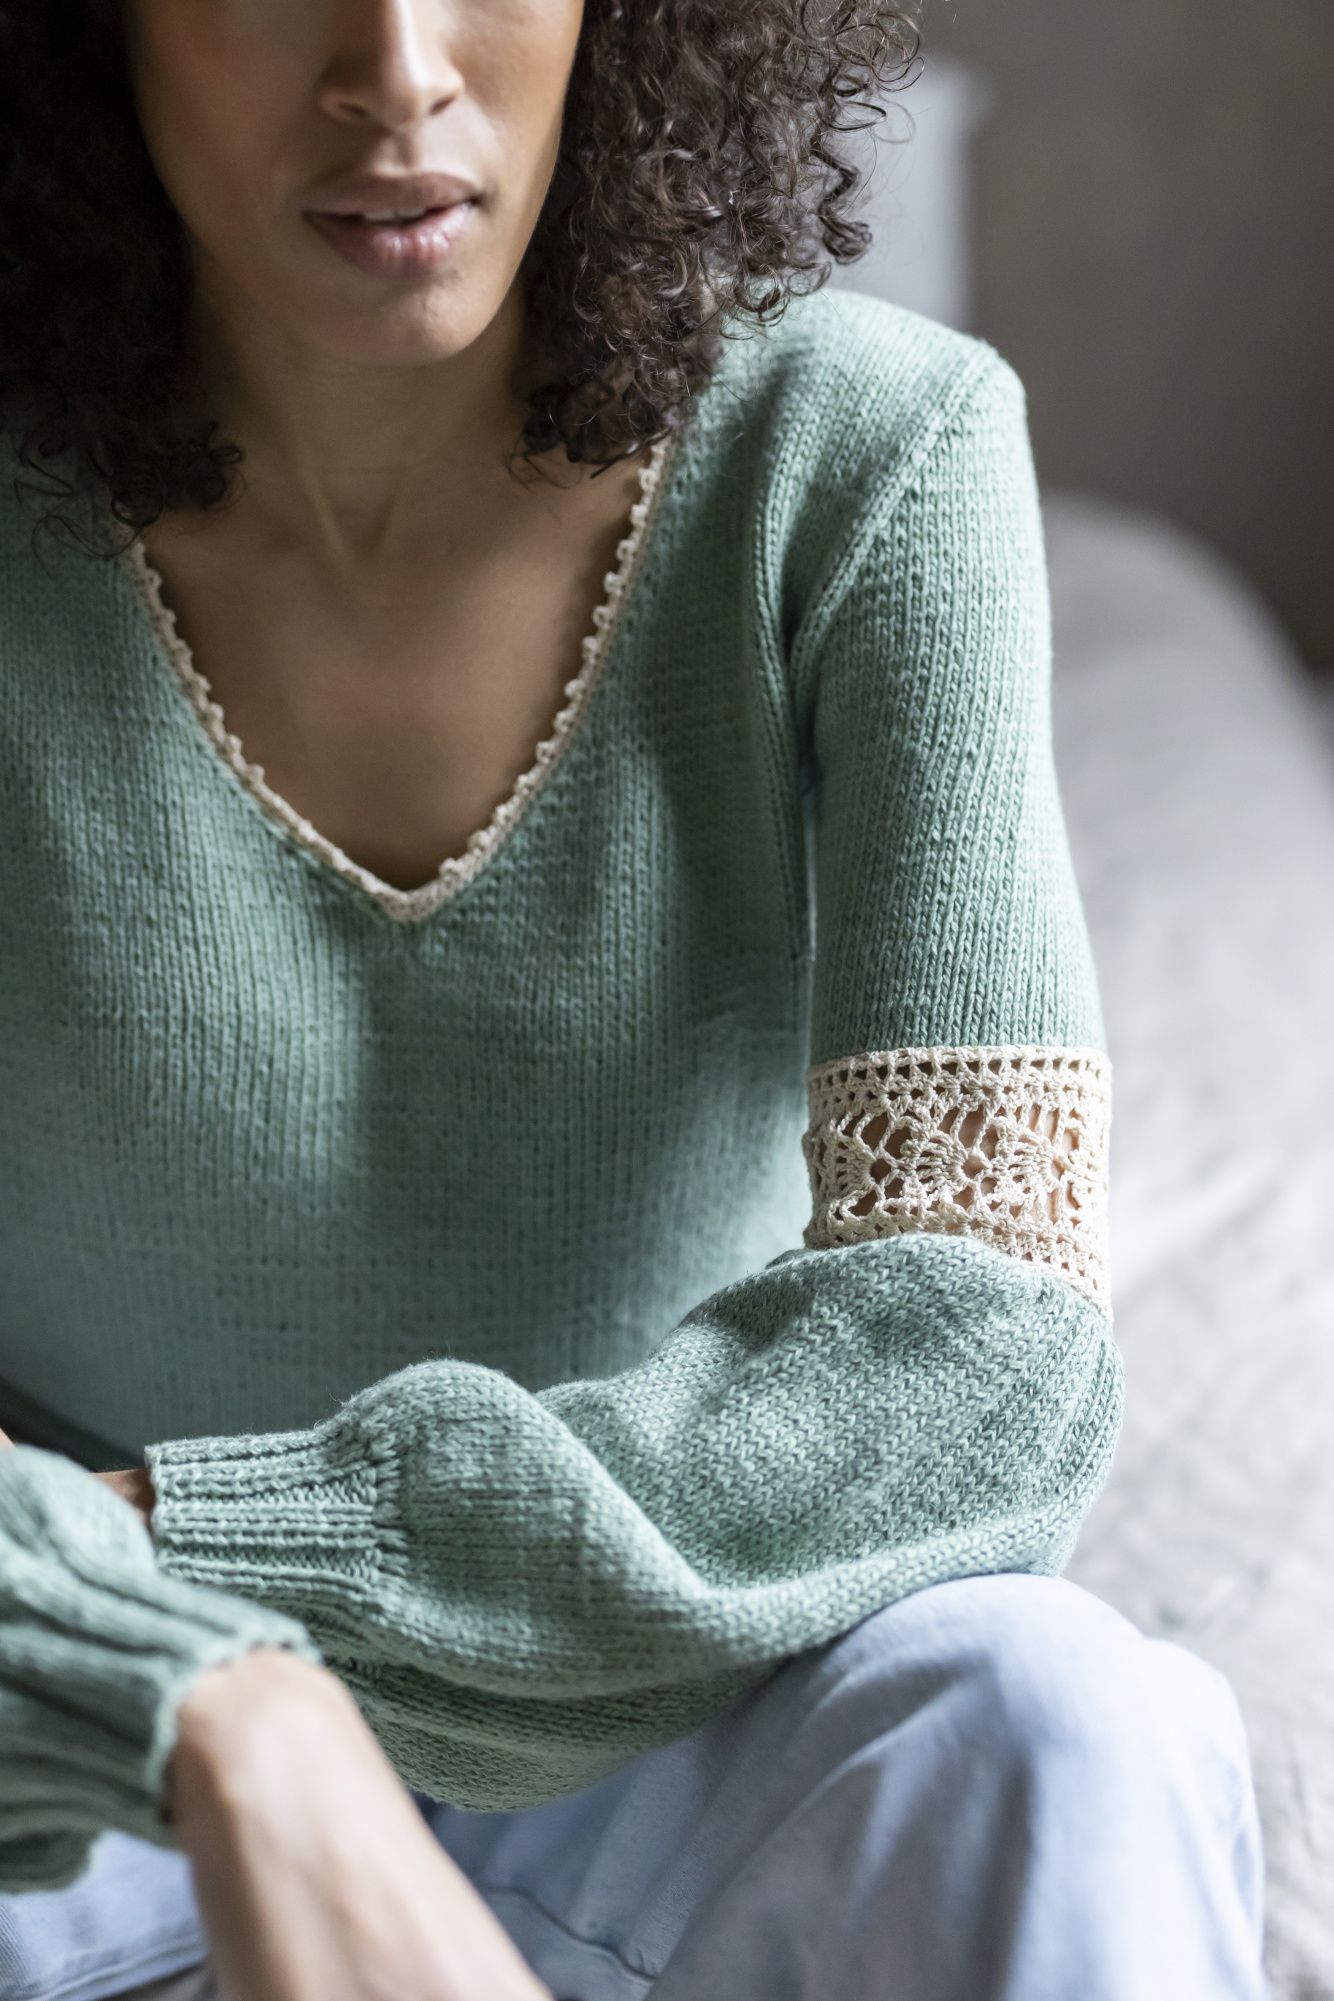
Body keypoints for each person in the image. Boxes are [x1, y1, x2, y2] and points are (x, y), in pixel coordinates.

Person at [0, 2, 1267, 1998]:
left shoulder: (872, 452)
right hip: (79, 1729)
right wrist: (212, 1695)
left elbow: (982, 1349)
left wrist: (207, 1550)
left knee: (1066, 1724)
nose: (396, 69)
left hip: (673, 1682)